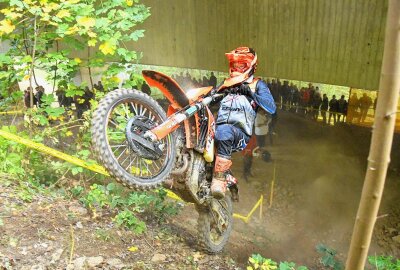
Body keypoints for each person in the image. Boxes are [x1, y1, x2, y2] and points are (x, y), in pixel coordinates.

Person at [211, 47, 276, 200]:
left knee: (225, 130)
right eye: (235, 64)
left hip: (239, 133)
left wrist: (251, 94)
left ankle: (220, 178)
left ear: (251, 65)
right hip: (220, 127)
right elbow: (212, 96)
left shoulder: (257, 84)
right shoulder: (227, 82)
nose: (238, 67)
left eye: (242, 64)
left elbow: (271, 107)